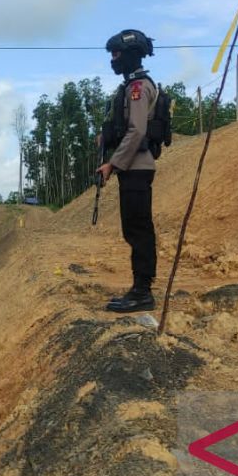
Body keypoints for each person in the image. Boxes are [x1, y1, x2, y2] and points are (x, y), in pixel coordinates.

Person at [97, 29, 159, 313]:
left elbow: (136, 132)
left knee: (139, 230)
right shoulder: (130, 86)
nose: (113, 59)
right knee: (133, 229)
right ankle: (138, 288)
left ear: (130, 54)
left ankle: (142, 292)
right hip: (132, 168)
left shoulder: (138, 87)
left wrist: (113, 164)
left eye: (116, 54)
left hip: (136, 168)